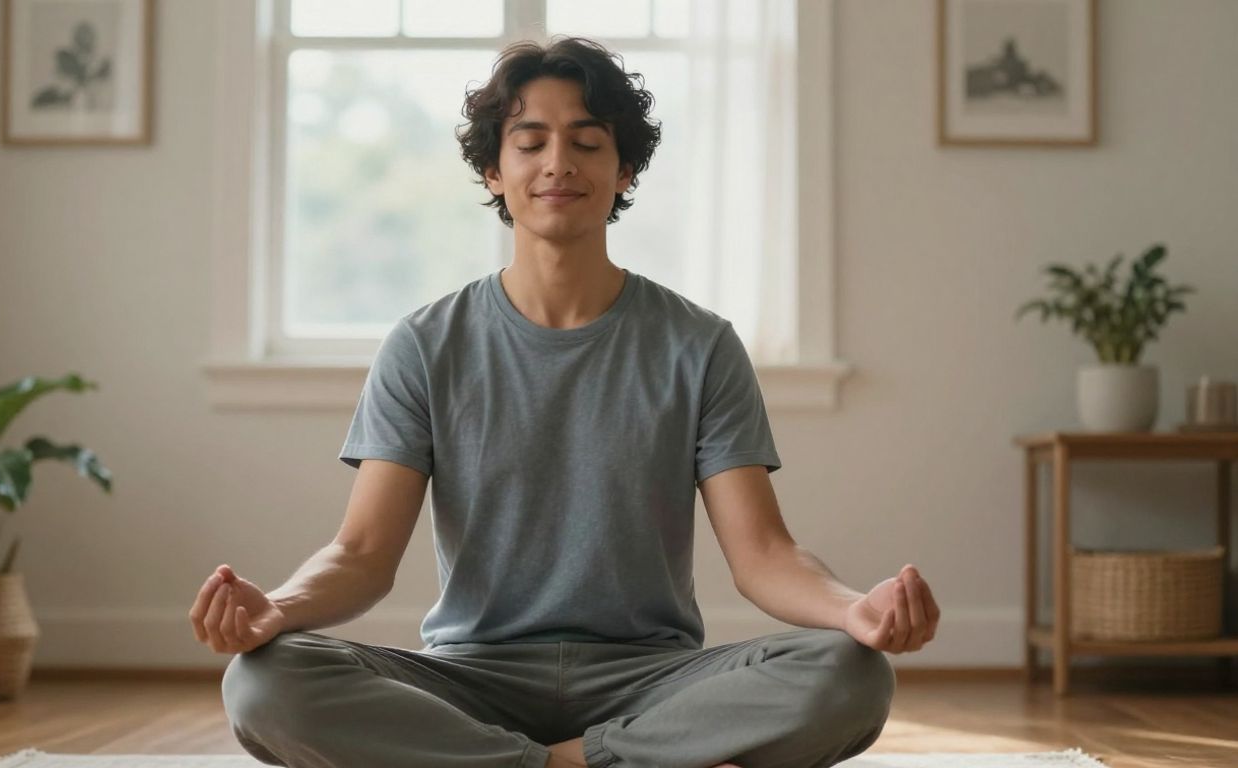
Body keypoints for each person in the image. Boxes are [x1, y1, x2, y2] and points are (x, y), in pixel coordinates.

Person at [199, 36, 940, 768]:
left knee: (850, 674)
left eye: (587, 142)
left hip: (651, 677)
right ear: (493, 170)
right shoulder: (424, 344)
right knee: (266, 680)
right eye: (531, 143)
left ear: (624, 171)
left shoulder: (700, 344)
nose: (559, 163)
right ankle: (590, 764)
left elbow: (765, 555)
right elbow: (361, 553)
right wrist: (280, 609)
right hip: (472, 675)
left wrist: (853, 609)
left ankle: (534, 762)